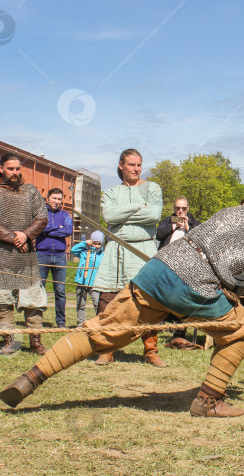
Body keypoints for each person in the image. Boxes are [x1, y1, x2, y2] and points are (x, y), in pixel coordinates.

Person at [0, 203, 244, 417]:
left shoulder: (241, 214)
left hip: (159, 268)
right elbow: (238, 281)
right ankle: (209, 400)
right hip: (192, 285)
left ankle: (31, 378)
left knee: (103, 330)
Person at [92, 149, 165, 366]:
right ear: (121, 165)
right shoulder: (112, 192)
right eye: (131, 164)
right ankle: (106, 349)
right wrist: (136, 207)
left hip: (143, 249)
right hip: (116, 249)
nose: (136, 169)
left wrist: (124, 213)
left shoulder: (152, 188)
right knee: (108, 299)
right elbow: (109, 216)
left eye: (139, 165)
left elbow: (154, 215)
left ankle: (151, 351)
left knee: (148, 300)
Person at [0, 153, 48, 355]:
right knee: (2, 300)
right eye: (11, 169)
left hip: (26, 255)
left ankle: (35, 342)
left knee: (33, 299)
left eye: (18, 169)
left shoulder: (31, 191)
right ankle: (9, 341)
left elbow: (42, 218)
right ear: (1, 169)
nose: (15, 173)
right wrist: (13, 237)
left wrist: (25, 234)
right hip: (1, 253)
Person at [156, 196, 202, 349]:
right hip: (166, 265)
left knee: (182, 299)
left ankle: (179, 332)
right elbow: (159, 234)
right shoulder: (167, 221)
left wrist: (188, 228)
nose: (180, 211)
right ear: (173, 208)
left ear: (188, 209)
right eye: (177, 208)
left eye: (183, 208)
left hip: (186, 267)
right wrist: (174, 226)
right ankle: (154, 329)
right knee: (161, 298)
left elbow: (201, 241)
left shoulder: (195, 223)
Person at [36, 188, 73, 328]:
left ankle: (61, 322)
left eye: (59, 199)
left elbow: (68, 230)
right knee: (40, 290)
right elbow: (40, 228)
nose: (56, 202)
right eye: (54, 198)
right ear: (48, 198)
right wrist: (57, 228)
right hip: (42, 255)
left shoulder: (65, 214)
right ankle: (37, 320)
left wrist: (49, 228)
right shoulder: (41, 213)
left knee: (60, 291)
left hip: (60, 256)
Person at [70, 230, 105, 327]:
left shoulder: (103, 255)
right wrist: (84, 243)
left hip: (95, 283)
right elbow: (73, 250)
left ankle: (99, 323)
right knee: (80, 303)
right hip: (82, 281)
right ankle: (80, 323)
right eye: (95, 243)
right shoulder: (84, 252)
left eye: (99, 244)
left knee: (97, 304)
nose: (96, 246)